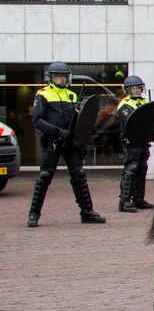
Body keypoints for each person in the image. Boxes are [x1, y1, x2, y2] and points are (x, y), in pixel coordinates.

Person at [27, 61, 105, 227]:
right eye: (58, 76)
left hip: (71, 143)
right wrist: (57, 131)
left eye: (64, 76)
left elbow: (80, 122)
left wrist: (81, 139)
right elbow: (37, 120)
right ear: (51, 78)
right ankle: (34, 213)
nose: (61, 79)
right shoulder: (43, 94)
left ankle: (87, 211)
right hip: (52, 142)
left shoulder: (72, 96)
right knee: (45, 176)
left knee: (79, 175)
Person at [115, 74, 154, 212]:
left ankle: (138, 199)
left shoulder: (143, 103)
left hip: (143, 141)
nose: (137, 90)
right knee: (131, 170)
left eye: (139, 88)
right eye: (134, 88)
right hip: (131, 142)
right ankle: (124, 201)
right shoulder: (125, 105)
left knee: (142, 169)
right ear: (128, 90)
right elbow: (131, 123)